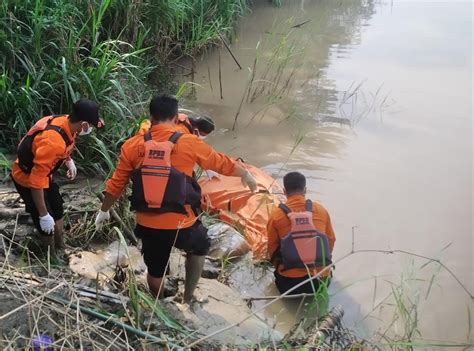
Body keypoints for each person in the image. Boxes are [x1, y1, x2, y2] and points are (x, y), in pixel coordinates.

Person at [95, 94, 257, 302]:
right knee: (200, 246)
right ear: (175, 117)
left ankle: (159, 304)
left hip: (148, 223)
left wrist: (104, 210)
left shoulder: (132, 145)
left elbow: (116, 185)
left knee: (155, 271)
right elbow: (219, 163)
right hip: (182, 223)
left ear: (150, 117)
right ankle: (188, 298)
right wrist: (245, 173)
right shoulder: (189, 142)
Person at [10, 99, 103, 258]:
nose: (91, 129)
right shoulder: (53, 142)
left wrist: (68, 160)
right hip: (27, 179)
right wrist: (43, 214)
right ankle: (51, 257)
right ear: (83, 124)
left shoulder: (66, 123)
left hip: (44, 175)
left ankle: (61, 246)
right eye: (91, 126)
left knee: (57, 207)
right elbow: (35, 182)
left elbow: (63, 145)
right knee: (45, 221)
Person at [267, 172, 336, 295]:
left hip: (290, 285)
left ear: (284, 191)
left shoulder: (276, 215)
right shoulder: (321, 210)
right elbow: (331, 240)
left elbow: (272, 250)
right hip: (321, 280)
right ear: (305, 190)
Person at [138, 112, 215, 139]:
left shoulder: (182, 117)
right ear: (197, 131)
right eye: (202, 135)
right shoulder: (183, 133)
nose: (201, 137)